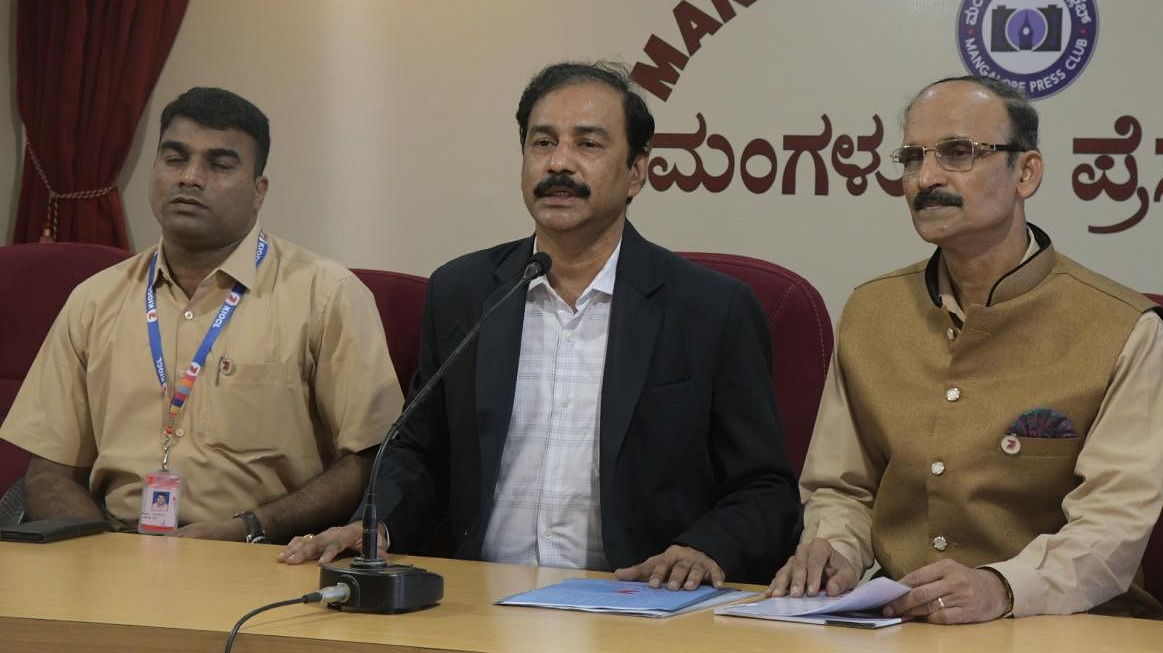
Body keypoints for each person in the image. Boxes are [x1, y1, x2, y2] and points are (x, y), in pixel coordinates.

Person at [281, 62, 797, 588]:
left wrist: (702, 549)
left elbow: (764, 488)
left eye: (588, 145)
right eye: (542, 142)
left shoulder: (710, 309)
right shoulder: (465, 292)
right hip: (480, 602)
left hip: (639, 604)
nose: (559, 164)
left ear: (637, 171)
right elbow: (418, 451)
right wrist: (376, 527)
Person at [768, 76, 1163, 622]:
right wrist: (833, 551)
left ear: (1025, 172)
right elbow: (843, 489)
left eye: (958, 153)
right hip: (906, 621)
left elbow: (1113, 528)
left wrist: (1002, 587)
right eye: (912, 158)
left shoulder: (1123, 327)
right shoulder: (871, 311)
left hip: (1068, 626)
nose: (925, 179)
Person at [0, 87, 405, 543]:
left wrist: (249, 528)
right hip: (112, 550)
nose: (190, 178)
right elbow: (49, 471)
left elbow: (368, 459)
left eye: (219, 164)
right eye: (174, 158)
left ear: (259, 192)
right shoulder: (94, 299)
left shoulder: (327, 297)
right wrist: (101, 553)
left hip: (262, 555)